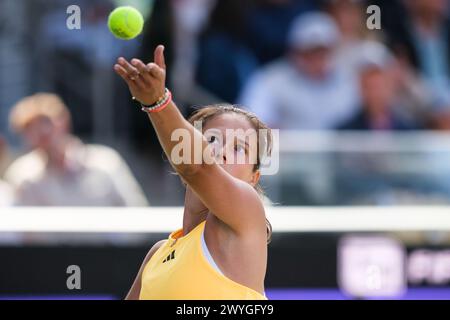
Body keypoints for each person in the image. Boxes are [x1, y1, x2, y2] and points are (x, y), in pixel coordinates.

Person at [114, 45, 272, 299]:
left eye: (239, 148)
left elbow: (198, 167)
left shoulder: (248, 211)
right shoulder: (158, 254)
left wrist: (158, 102)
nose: (221, 152)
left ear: (253, 179)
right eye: (211, 140)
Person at [5, 93, 148, 206]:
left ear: (64, 121)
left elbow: (134, 210)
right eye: (30, 127)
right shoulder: (22, 174)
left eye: (46, 121)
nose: (42, 131)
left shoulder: (105, 162)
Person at [239, 12, 360, 130]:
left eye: (323, 52)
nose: (317, 59)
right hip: (284, 150)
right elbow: (250, 122)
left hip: (339, 150)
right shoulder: (269, 80)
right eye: (310, 52)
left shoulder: (348, 81)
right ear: (293, 51)